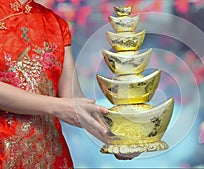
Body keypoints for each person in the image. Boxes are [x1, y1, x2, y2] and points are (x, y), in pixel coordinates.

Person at [0, 0, 128, 168]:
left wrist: (117, 140)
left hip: (51, 156)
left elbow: (73, 100)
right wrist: (56, 106)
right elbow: (63, 106)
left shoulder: (56, 24)